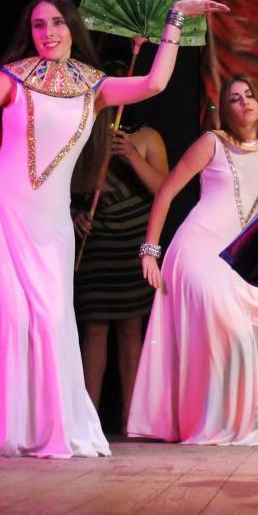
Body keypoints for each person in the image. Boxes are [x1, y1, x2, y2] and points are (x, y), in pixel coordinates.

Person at [0, 0, 226, 458]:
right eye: (38, 25)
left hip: (50, 226)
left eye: (56, 23)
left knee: (50, 324)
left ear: (72, 28)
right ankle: (6, 430)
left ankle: (45, 429)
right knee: (10, 320)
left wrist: (175, 21)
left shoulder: (94, 86)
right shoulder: (13, 78)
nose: (48, 33)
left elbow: (155, 83)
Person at [126, 75, 258, 446]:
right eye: (235, 98)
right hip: (196, 250)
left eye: (249, 95)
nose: (244, 102)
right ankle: (215, 422)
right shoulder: (212, 142)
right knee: (232, 331)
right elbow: (166, 192)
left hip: (236, 259)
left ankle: (251, 420)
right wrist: (150, 251)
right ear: (226, 109)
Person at [72, 111, 169, 432]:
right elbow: (70, 185)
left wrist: (131, 156)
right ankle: (87, 419)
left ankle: (132, 418)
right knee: (94, 330)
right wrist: (74, 213)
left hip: (133, 243)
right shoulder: (83, 134)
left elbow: (164, 188)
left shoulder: (147, 136)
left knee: (131, 329)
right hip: (97, 245)